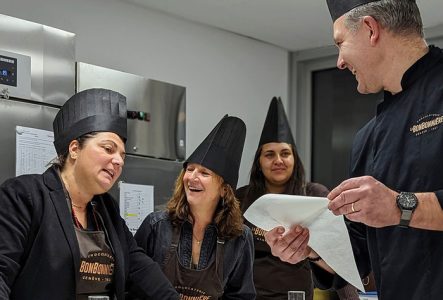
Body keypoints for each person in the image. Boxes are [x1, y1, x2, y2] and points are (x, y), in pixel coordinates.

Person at [265, 0, 443, 299]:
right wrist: (312, 249)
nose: (340, 62)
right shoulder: (368, 137)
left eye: (340, 42)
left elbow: (395, 207)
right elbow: (359, 253)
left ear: (371, 29)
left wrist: (401, 206)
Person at [0, 88, 179, 299]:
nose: (119, 160)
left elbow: (139, 267)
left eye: (122, 155)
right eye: (108, 149)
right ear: (74, 149)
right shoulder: (24, 196)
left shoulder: (107, 209)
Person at [236, 97, 358, 300]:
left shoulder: (314, 195)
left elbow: (336, 251)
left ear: (294, 159)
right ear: (259, 162)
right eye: (269, 155)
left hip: (296, 296)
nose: (278, 161)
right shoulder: (241, 198)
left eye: (285, 153)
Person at [134, 115, 256, 299]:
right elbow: (133, 284)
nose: (192, 177)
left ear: (224, 190)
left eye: (204, 173)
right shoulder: (156, 225)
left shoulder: (240, 238)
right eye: (189, 169)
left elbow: (241, 296)